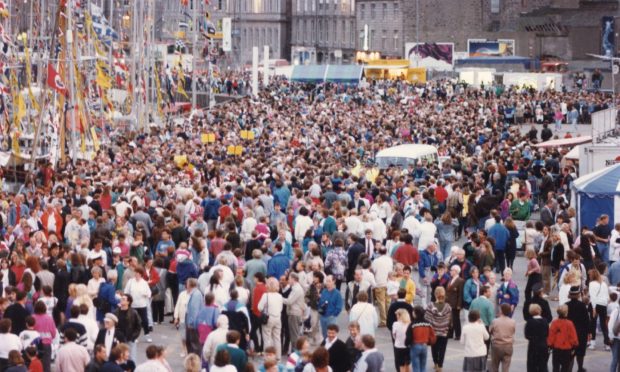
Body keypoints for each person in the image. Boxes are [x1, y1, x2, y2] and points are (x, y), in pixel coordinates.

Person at [425, 286, 451, 372]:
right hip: (444, 332)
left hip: (434, 332)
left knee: (434, 348)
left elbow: (427, 319)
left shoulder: (430, 306)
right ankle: (440, 366)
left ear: (435, 294)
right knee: (442, 349)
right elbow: (449, 320)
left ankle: (435, 363)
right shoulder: (448, 307)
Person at [258, 277, 284, 360]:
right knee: (277, 338)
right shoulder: (280, 296)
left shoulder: (266, 295)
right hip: (278, 318)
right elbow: (281, 308)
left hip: (269, 318)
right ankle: (278, 356)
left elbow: (259, 307)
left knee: (267, 338)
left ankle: (268, 356)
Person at [566, 285, 590, 372]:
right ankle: (580, 367)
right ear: (578, 295)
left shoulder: (566, 305)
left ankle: (569, 369)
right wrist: (589, 332)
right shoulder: (582, 306)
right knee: (580, 353)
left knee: (570, 353)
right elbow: (587, 320)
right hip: (581, 333)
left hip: (569, 333)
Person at [548, 304, 579, 372]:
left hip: (556, 349)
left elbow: (551, 336)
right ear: (566, 313)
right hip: (567, 350)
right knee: (565, 368)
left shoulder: (554, 323)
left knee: (555, 367)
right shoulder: (570, 323)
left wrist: (550, 345)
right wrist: (575, 345)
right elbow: (573, 337)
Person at [406, 305, 436, 372]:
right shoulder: (428, 324)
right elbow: (433, 336)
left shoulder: (413, 324)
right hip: (424, 345)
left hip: (415, 345)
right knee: (423, 365)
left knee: (416, 366)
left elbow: (409, 337)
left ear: (415, 314)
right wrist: (429, 342)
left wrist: (407, 343)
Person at [489, 304, 516, 372]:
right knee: (506, 367)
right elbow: (513, 331)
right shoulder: (512, 321)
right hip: (508, 345)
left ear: (501, 311)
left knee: (495, 366)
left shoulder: (495, 321)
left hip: (497, 345)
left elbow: (490, 331)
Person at [113, 294, 140, 361]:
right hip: (119, 339)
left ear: (128, 302)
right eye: (121, 299)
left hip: (129, 338)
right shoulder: (116, 312)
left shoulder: (133, 312)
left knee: (131, 358)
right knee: (119, 358)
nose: (121, 300)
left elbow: (138, 326)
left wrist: (133, 337)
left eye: (123, 299)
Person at [588, 268, 610, 350]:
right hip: (603, 305)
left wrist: (593, 308)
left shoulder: (591, 284)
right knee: (604, 325)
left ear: (592, 276)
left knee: (593, 324)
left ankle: (593, 343)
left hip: (595, 305)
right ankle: (607, 344)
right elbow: (607, 296)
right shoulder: (603, 284)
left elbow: (593, 297)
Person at [524, 304, 549, 372]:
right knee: (543, 365)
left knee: (532, 365)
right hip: (543, 345)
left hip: (533, 345)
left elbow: (526, 335)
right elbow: (547, 333)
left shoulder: (529, 322)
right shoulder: (545, 321)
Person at [283, 272, 306, 349]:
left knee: (294, 335)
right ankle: (294, 350)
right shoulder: (295, 288)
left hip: (294, 314)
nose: (288, 280)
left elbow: (289, 301)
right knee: (294, 334)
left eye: (289, 278)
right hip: (295, 313)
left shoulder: (296, 289)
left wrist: (279, 298)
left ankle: (295, 351)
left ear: (293, 279)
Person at [446, 265, 464, 340]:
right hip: (449, 302)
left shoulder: (460, 280)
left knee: (456, 319)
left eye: (452, 270)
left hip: (455, 303)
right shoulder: (451, 279)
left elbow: (460, 294)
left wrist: (459, 304)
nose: (450, 271)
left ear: (456, 271)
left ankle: (458, 334)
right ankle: (450, 333)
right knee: (449, 319)